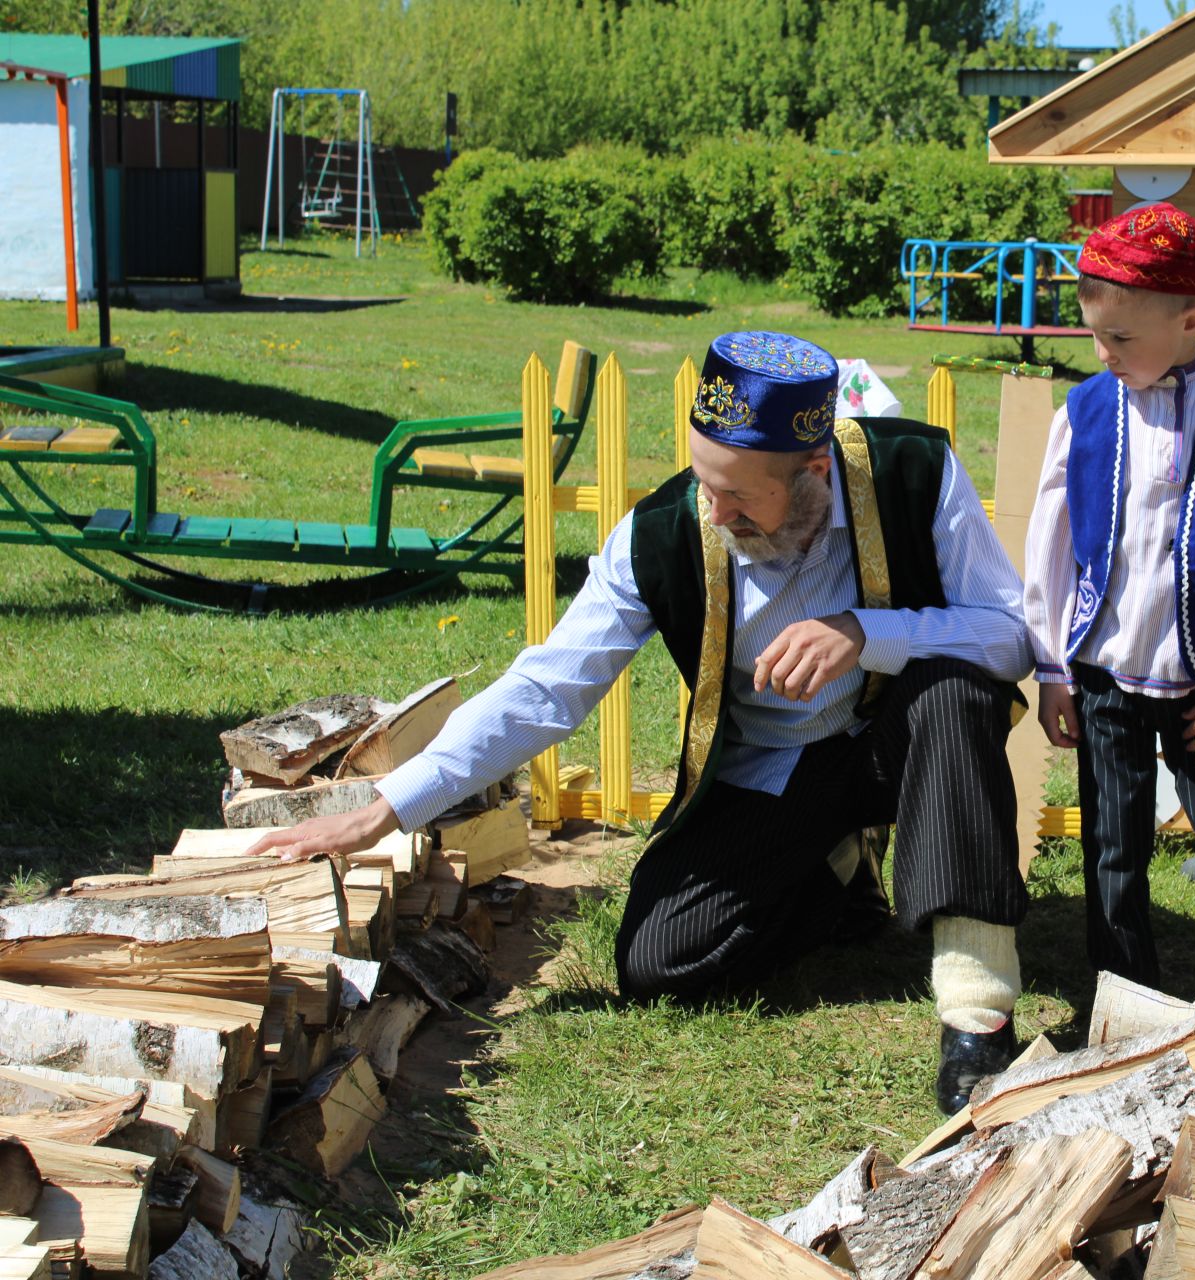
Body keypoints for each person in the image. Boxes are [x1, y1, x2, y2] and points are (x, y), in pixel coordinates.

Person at [249, 331, 1034, 1114]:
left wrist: (867, 633)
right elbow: (548, 687)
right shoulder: (659, 536)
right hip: (776, 772)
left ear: (816, 473)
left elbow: (1007, 634)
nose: (714, 511)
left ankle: (978, 1015)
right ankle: (836, 868)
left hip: (897, 747)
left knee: (954, 687)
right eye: (703, 482)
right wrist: (387, 808)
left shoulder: (914, 473)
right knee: (661, 961)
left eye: (739, 496)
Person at [1023, 203, 1195, 1027]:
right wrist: (1051, 666)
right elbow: (1049, 537)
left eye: (1121, 341)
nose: (1105, 355)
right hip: (1103, 671)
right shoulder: (1085, 412)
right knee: (1113, 848)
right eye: (1095, 338)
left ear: (1191, 319)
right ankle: (1126, 1006)